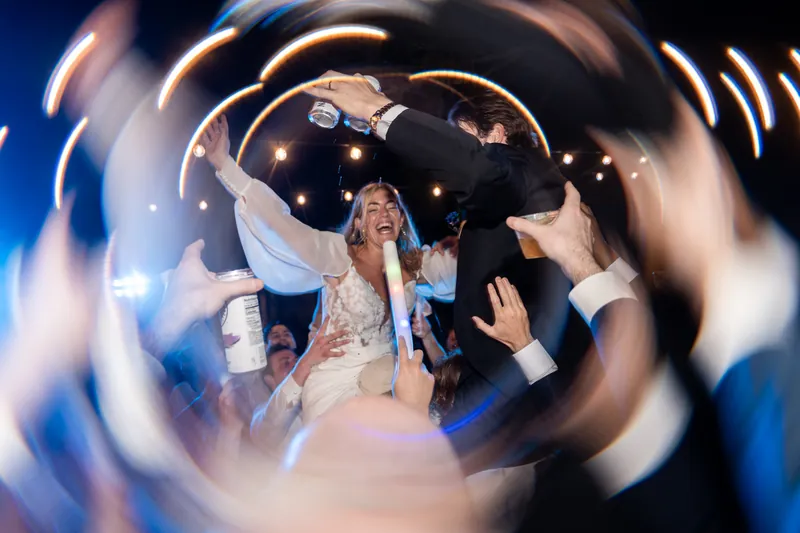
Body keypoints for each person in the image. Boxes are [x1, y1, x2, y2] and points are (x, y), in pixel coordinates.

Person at [304, 78, 579, 465]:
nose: (456, 150)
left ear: (497, 135)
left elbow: (480, 172)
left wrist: (377, 110)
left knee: (422, 469)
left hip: (509, 376)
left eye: (464, 139)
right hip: (495, 372)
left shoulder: (520, 164)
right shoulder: (526, 192)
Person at [198, 116, 457, 423]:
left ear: (400, 220)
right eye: (372, 209)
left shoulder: (414, 265)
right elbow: (283, 228)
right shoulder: (339, 254)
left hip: (388, 377)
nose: (383, 214)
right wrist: (224, 164)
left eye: (390, 207)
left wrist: (463, 238)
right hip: (337, 385)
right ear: (359, 223)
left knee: (423, 411)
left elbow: (456, 268)